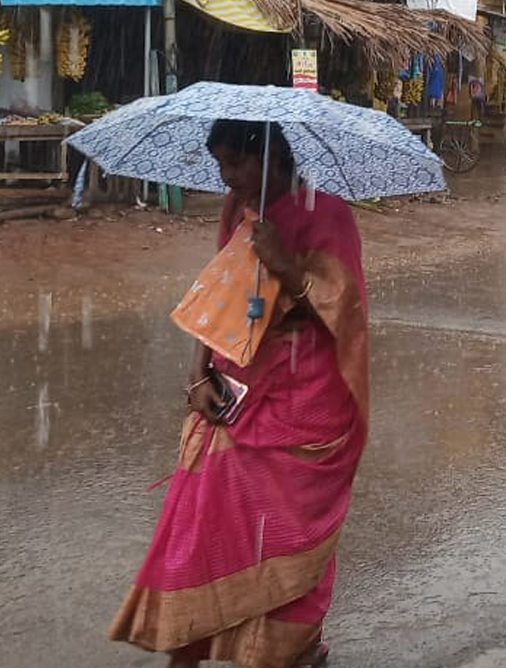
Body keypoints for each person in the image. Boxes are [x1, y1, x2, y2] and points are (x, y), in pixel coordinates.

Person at [110, 120, 369, 668]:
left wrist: (288, 268)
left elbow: (343, 314)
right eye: (221, 166)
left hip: (306, 402)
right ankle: (191, 643)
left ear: (272, 157)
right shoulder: (235, 211)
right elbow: (221, 299)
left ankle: (289, 651)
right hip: (236, 388)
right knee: (204, 522)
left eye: (238, 164)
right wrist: (199, 374)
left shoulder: (329, 215)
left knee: (284, 533)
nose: (228, 179)